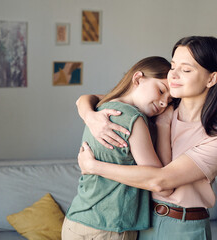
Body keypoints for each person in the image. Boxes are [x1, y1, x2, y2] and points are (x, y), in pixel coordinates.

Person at [76, 36, 217, 240]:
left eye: (186, 70)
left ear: (211, 79)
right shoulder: (157, 105)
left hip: (183, 227)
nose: (174, 75)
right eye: (173, 66)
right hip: (142, 223)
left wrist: (94, 167)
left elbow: (162, 182)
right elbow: (97, 98)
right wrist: (90, 116)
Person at [61, 56, 174, 240]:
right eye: (161, 90)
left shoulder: (103, 108)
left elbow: (84, 98)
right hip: (108, 228)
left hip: (76, 223)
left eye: (169, 101)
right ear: (138, 78)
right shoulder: (133, 119)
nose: (163, 103)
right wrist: (164, 125)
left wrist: (87, 112)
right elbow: (160, 184)